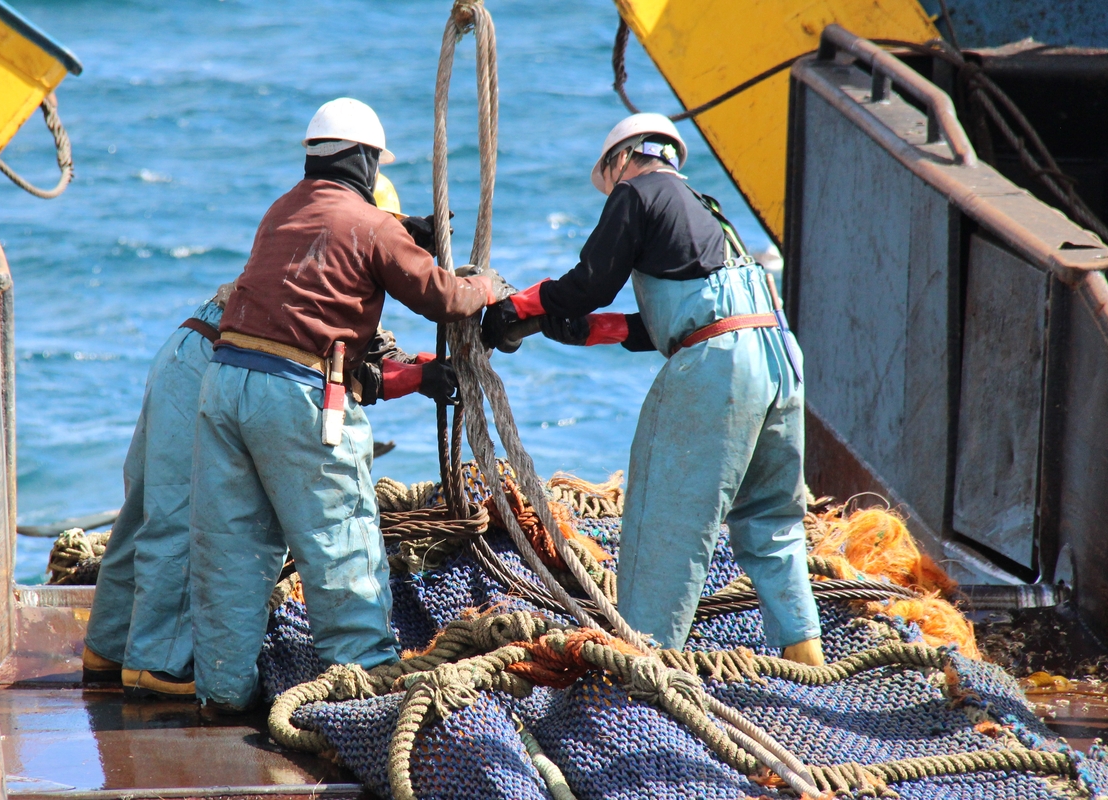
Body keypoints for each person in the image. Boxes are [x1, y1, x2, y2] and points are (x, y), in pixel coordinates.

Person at [189, 97, 512, 711]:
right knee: (340, 534)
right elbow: (443, 296)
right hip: (298, 393)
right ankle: (365, 681)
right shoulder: (370, 223)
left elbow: (327, 259)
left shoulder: (280, 210)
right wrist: (487, 287)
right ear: (366, 162)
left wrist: (403, 232)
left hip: (226, 381)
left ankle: (223, 695)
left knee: (233, 547)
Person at [83, 173, 458, 700]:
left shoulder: (310, 254)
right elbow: (344, 370)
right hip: (210, 366)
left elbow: (374, 361)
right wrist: (427, 374)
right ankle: (157, 668)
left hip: (186, 351)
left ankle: (108, 648)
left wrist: (425, 371)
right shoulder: (344, 275)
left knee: (150, 511)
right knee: (181, 521)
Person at [481, 113, 824, 665]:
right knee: (770, 522)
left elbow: (589, 282)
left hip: (719, 366)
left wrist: (516, 308)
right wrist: (583, 330)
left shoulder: (637, 192)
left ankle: (643, 673)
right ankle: (808, 663)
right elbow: (668, 322)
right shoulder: (705, 211)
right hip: (778, 358)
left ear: (622, 159)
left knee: (664, 518)